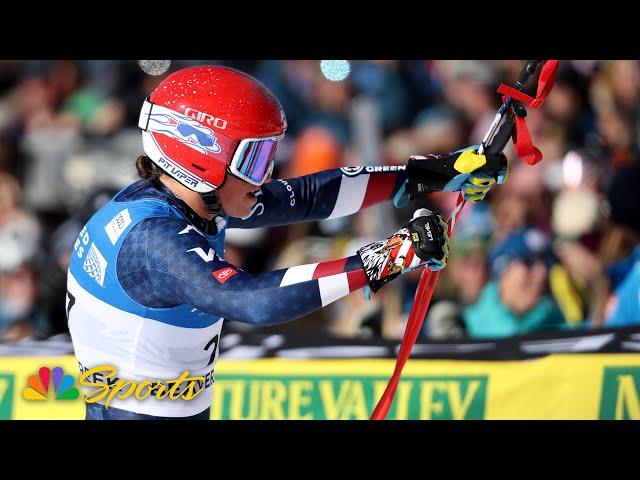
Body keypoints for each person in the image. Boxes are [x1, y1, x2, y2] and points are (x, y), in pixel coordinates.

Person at [66, 65, 508, 420]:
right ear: (200, 158)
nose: (267, 175)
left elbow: (310, 197)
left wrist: (435, 173)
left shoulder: (195, 198)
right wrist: (387, 259)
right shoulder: (152, 239)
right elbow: (251, 301)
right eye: (255, 158)